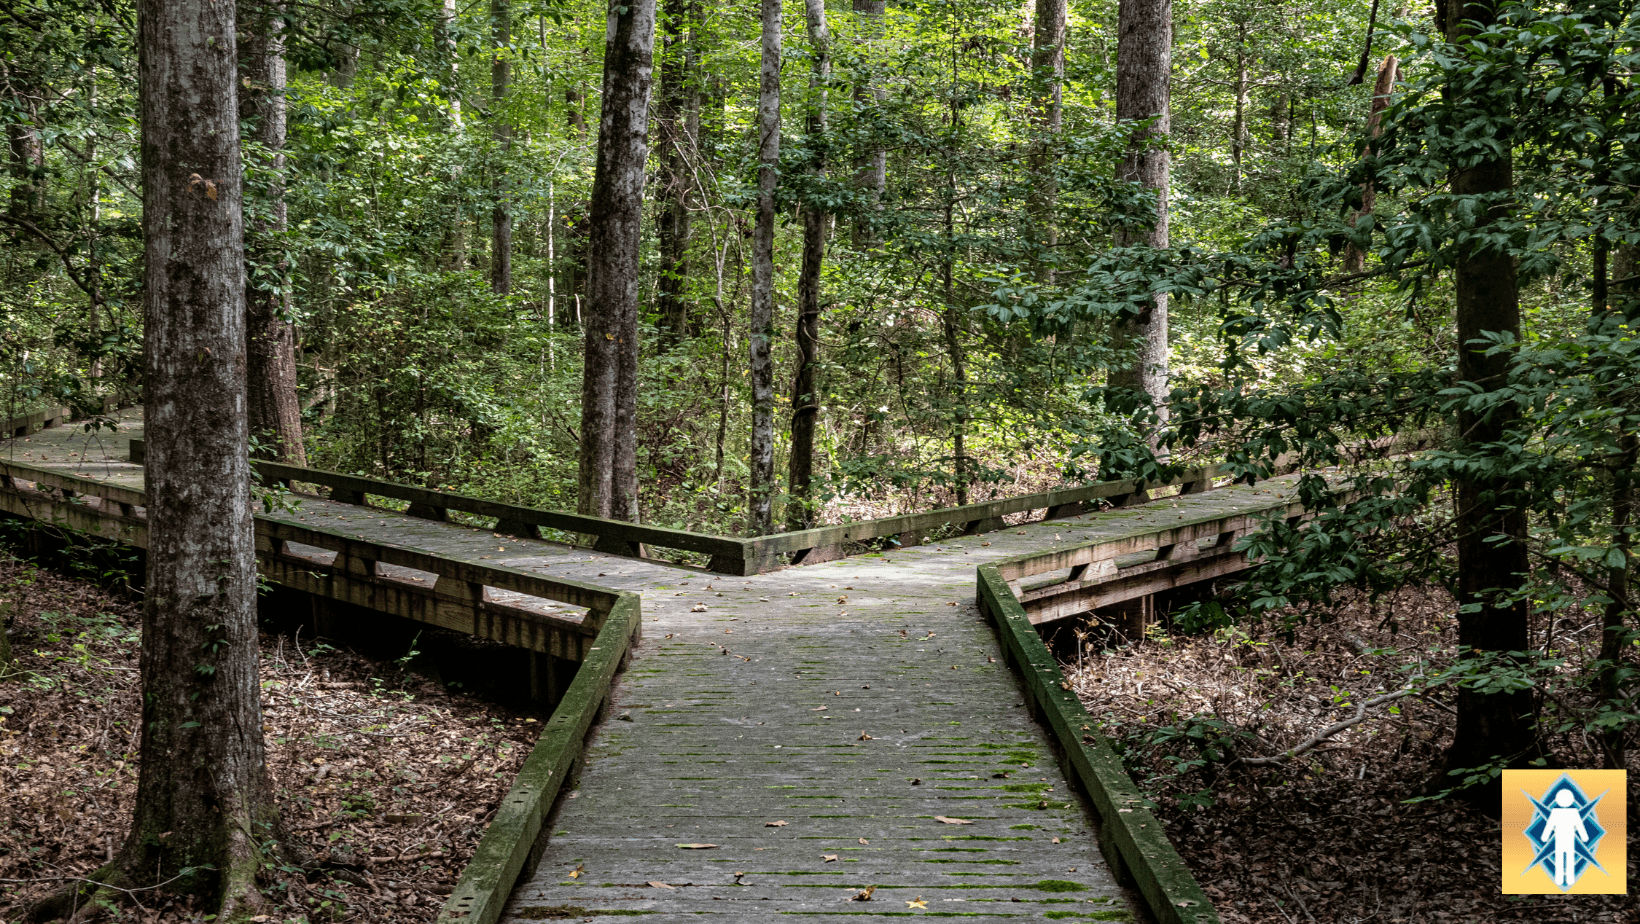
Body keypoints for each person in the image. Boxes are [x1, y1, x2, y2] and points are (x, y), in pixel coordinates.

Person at [1544, 788, 1589, 888]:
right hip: (1561, 839)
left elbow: (1579, 825)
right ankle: (1562, 878)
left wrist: (1545, 837)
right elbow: (1550, 825)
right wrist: (1584, 837)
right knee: (1562, 858)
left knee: (1566, 858)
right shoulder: (1557, 812)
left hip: (1567, 839)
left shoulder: (1572, 812)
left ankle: (1567, 878)